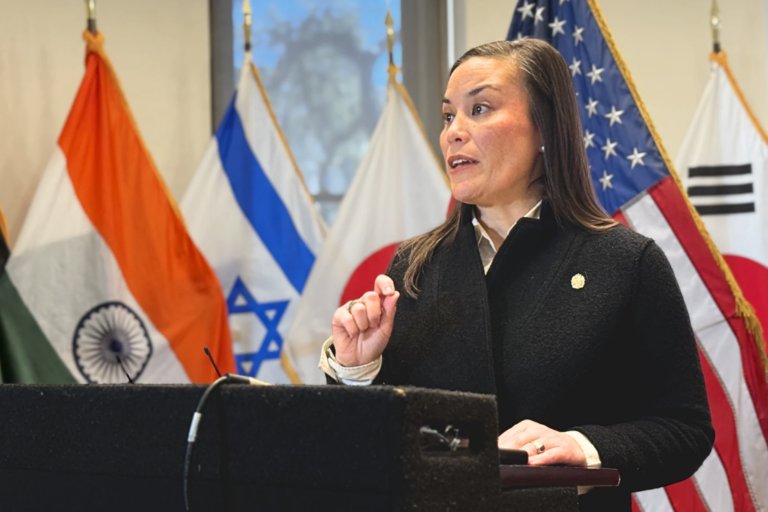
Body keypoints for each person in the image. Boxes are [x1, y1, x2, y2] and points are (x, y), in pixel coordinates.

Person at [318, 39, 713, 511]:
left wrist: (583, 448)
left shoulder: (628, 262)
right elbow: (373, 444)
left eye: (479, 109)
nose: (453, 132)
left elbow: (684, 429)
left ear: (545, 127)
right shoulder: (412, 266)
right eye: (448, 116)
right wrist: (358, 371)